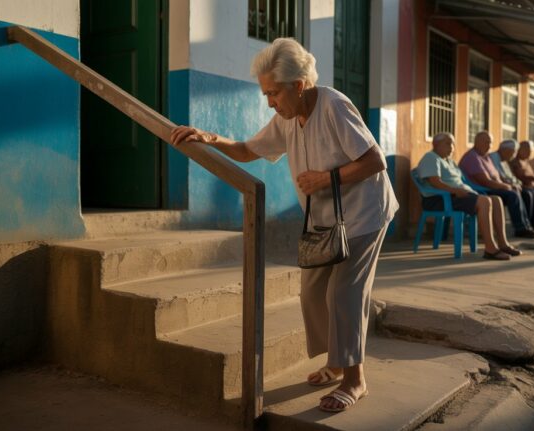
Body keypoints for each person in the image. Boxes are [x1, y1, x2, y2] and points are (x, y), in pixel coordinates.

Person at [169, 38, 398, 413]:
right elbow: (246, 150)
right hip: (325, 224)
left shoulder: (335, 106)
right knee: (311, 294)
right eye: (266, 94)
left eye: (273, 93)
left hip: (364, 214)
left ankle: (356, 381)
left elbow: (375, 161)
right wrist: (209, 138)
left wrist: (325, 179)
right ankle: (336, 361)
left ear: (299, 85)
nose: (269, 102)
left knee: (344, 293)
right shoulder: (287, 119)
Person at [416, 133, 520, 260]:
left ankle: (503, 244)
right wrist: (455, 191)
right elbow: (435, 182)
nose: (451, 147)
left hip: (457, 196)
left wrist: (465, 191)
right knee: (484, 201)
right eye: (447, 143)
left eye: (453, 143)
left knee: (496, 199)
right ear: (435, 144)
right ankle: (490, 249)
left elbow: (462, 182)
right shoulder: (431, 157)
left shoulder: (450, 161)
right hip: (440, 199)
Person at [460, 132, 534, 239]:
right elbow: (485, 181)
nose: (489, 145)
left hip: (491, 188)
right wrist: (505, 186)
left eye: (491, 143)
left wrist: (509, 185)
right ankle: (520, 228)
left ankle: (527, 226)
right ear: (477, 142)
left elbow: (498, 177)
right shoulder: (472, 157)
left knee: (520, 191)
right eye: (486, 142)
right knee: (513, 195)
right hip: (482, 190)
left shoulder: (486, 157)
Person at [489, 139, 534, 234]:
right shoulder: (494, 158)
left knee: (532, 191)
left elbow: (510, 176)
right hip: (497, 187)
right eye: (514, 152)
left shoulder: (504, 160)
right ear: (506, 151)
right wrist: (514, 184)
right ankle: (522, 227)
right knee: (526, 193)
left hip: (510, 185)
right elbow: (499, 177)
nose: (514, 155)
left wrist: (516, 183)